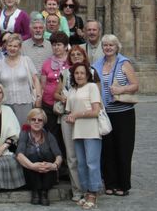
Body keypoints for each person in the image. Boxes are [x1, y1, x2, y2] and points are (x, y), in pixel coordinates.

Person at [92, 33, 139, 196]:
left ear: (117, 47)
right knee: (107, 150)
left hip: (123, 113)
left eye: (111, 45)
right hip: (105, 112)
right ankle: (110, 183)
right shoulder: (97, 65)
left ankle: (123, 185)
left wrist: (121, 89)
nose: (108, 48)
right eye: (105, 45)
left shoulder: (124, 63)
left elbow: (135, 85)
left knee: (123, 148)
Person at [54, 44, 97, 203]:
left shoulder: (91, 72)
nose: (76, 57)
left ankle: (90, 189)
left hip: (87, 118)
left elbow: (97, 96)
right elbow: (56, 93)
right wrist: (63, 98)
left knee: (87, 156)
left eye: (79, 54)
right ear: (69, 58)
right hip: (68, 117)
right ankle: (77, 189)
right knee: (72, 156)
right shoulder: (65, 73)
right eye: (73, 55)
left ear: (84, 56)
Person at [65, 62, 102, 209]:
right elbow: (70, 111)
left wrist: (77, 115)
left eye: (82, 73)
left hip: (91, 130)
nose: (79, 75)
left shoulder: (92, 87)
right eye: (76, 73)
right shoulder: (72, 90)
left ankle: (93, 194)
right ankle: (86, 192)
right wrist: (71, 117)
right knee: (81, 164)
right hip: (77, 130)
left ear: (87, 75)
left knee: (92, 163)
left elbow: (95, 111)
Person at [16, 107, 63, 206]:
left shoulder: (48, 135)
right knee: (32, 156)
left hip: (48, 174)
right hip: (31, 174)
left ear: (43, 122)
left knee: (48, 155)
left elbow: (58, 155)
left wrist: (54, 165)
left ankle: (44, 192)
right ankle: (35, 192)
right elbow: (19, 154)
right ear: (29, 121)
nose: (36, 122)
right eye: (33, 119)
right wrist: (32, 166)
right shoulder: (24, 134)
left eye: (40, 120)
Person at [0, 32, 41, 126]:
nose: (12, 48)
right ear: (6, 46)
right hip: (5, 104)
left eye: (15, 46)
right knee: (8, 130)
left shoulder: (26, 60)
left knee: (24, 129)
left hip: (25, 102)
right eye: (10, 46)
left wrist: (39, 97)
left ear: (20, 47)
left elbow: (35, 80)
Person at [40, 32, 70, 151]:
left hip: (67, 104)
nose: (56, 47)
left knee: (66, 134)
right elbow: (43, 85)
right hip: (49, 104)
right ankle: (56, 158)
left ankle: (68, 159)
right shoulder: (47, 63)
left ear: (65, 46)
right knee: (52, 133)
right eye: (53, 45)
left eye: (59, 44)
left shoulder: (71, 60)